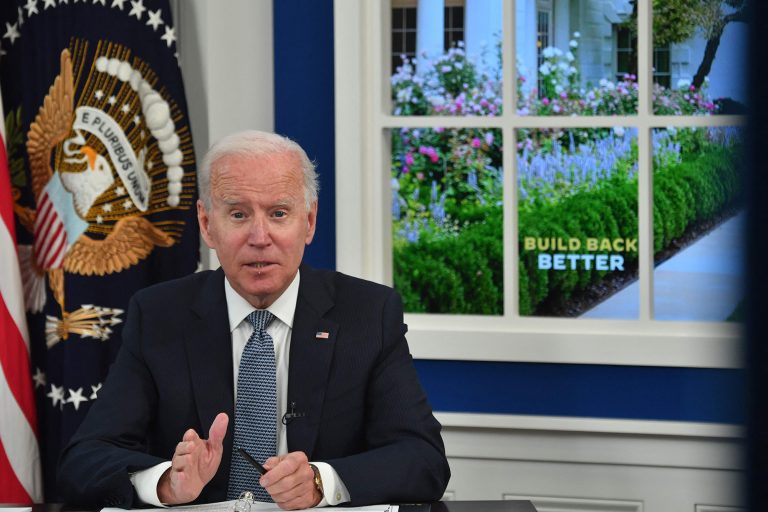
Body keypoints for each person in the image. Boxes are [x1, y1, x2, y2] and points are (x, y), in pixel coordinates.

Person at [57, 130, 450, 510]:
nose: (260, 237)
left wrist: (321, 482)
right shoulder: (159, 314)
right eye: (238, 214)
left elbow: (423, 459)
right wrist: (166, 483)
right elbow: (84, 460)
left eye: (278, 213)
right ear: (207, 224)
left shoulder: (367, 313)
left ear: (309, 221)